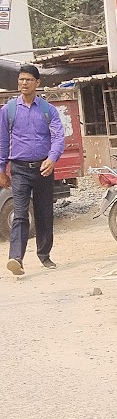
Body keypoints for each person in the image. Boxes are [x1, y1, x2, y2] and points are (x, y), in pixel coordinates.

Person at [0, 64, 66, 277]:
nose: (24, 83)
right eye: (21, 80)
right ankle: (15, 258)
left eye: (28, 80)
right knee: (20, 213)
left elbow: (58, 137)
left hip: (43, 169)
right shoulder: (8, 110)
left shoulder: (48, 110)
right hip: (19, 169)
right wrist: (1, 168)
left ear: (38, 83)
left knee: (44, 213)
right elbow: (2, 141)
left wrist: (52, 158)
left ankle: (44, 255)